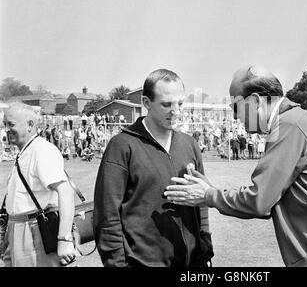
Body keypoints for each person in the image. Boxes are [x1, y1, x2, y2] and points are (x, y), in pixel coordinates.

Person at [165, 65, 307, 267]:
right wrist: (211, 192)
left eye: (235, 106)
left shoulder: (290, 125)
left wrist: (209, 195)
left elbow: (260, 201)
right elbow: (268, 198)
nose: (234, 115)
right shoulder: (295, 121)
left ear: (255, 101)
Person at [93, 69, 213, 267]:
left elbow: (201, 204)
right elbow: (107, 215)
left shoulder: (189, 144)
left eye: (180, 103)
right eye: (166, 104)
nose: (176, 111)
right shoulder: (122, 146)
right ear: (147, 103)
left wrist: (204, 249)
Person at [1, 102, 76, 267]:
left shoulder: (41, 150)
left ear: (30, 125)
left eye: (11, 124)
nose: (6, 129)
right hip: (18, 229)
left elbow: (66, 191)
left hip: (34, 231)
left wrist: (64, 239)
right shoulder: (27, 151)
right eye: (5, 124)